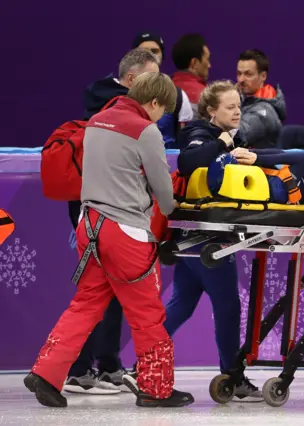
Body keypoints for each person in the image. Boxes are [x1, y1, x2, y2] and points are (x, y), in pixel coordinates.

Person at [24, 72, 194, 408]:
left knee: (86, 303)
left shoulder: (97, 121)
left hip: (90, 225)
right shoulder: (146, 130)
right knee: (147, 312)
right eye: (165, 112)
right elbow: (163, 191)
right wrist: (175, 206)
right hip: (126, 230)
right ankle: (156, 388)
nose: (163, 120)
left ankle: (46, 372)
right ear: (156, 102)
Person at [123, 81, 263, 401]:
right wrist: (224, 142)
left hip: (200, 236)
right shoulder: (200, 133)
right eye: (230, 106)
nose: (238, 111)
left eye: (239, 105)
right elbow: (188, 162)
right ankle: (234, 376)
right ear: (212, 110)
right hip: (205, 237)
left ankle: (140, 365)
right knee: (227, 306)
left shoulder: (234, 138)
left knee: (182, 304)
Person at [63, 48, 162, 396]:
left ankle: (92, 366)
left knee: (96, 295)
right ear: (134, 80)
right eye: (154, 77)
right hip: (115, 217)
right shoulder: (126, 115)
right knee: (115, 296)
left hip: (89, 212)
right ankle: (95, 369)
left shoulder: (100, 107)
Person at [132, 32, 194, 147]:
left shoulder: (178, 96)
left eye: (155, 51)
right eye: (143, 50)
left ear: (162, 56)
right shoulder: (121, 93)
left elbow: (186, 140)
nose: (149, 54)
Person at [237, 49, 286, 149]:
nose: (241, 79)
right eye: (239, 73)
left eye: (248, 74)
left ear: (263, 76)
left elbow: (237, 136)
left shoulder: (264, 111)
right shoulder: (242, 99)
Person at [172, 34, 210, 116]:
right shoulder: (204, 95)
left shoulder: (164, 88)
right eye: (207, 59)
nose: (209, 65)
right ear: (194, 62)